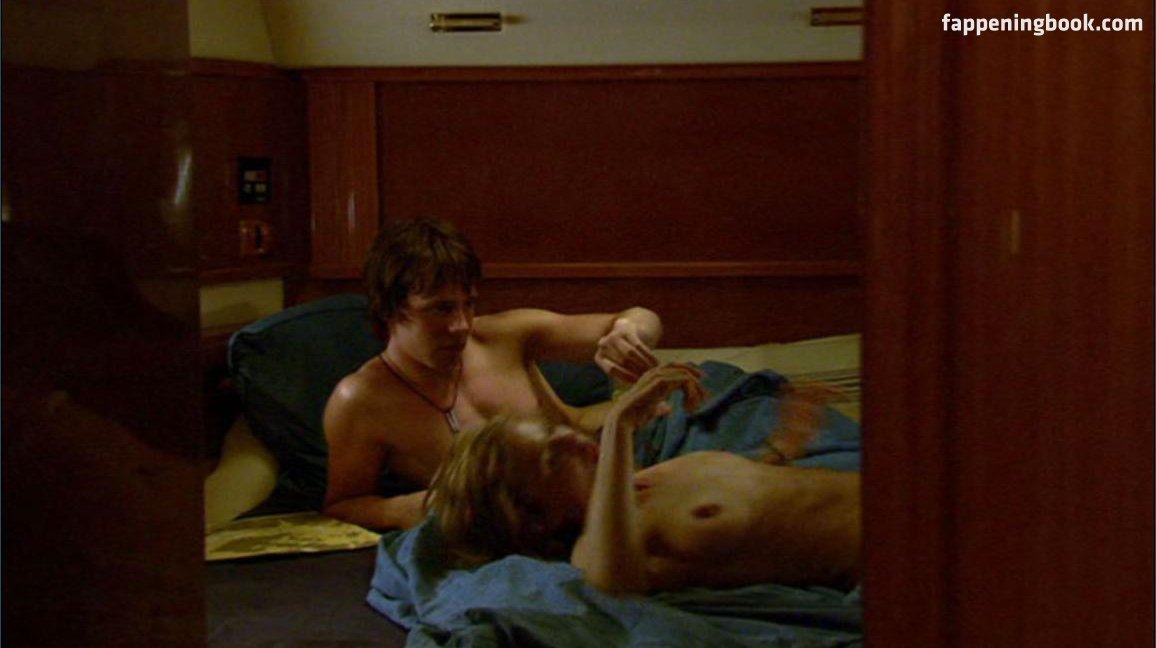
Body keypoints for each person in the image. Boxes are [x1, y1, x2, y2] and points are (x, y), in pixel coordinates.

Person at [323, 217, 663, 531]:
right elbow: (343, 505)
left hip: (635, 447)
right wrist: (409, 509)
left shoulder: (504, 337)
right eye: (441, 309)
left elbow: (640, 317)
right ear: (391, 310)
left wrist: (629, 332)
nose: (461, 325)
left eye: (468, 304)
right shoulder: (361, 400)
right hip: (554, 515)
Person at [427, 364, 860, 595]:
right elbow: (610, 582)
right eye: (551, 459)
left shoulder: (651, 479)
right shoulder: (601, 548)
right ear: (537, 519)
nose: (572, 438)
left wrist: (783, 446)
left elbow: (752, 496)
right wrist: (618, 427)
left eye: (552, 430)